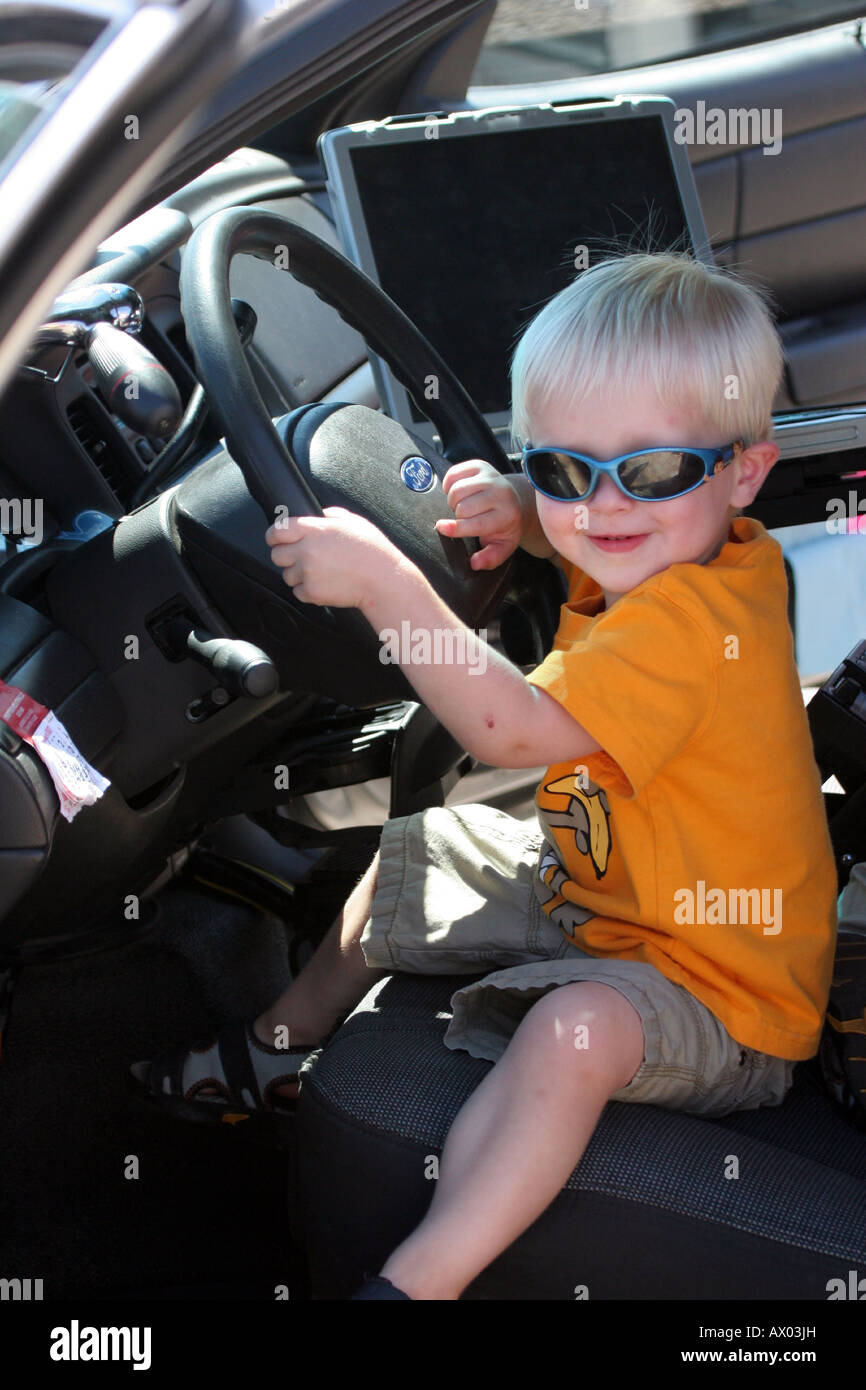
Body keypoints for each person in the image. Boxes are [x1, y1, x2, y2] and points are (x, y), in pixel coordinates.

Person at [134, 251, 838, 1300]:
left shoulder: (692, 629)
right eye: (562, 467)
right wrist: (518, 506)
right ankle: (278, 1046)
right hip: (618, 889)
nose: (600, 509)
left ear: (744, 471)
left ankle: (422, 1276)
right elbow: (608, 530)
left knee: (575, 1030)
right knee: (413, 858)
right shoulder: (708, 550)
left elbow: (507, 730)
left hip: (722, 989)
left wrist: (386, 589)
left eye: (649, 472)